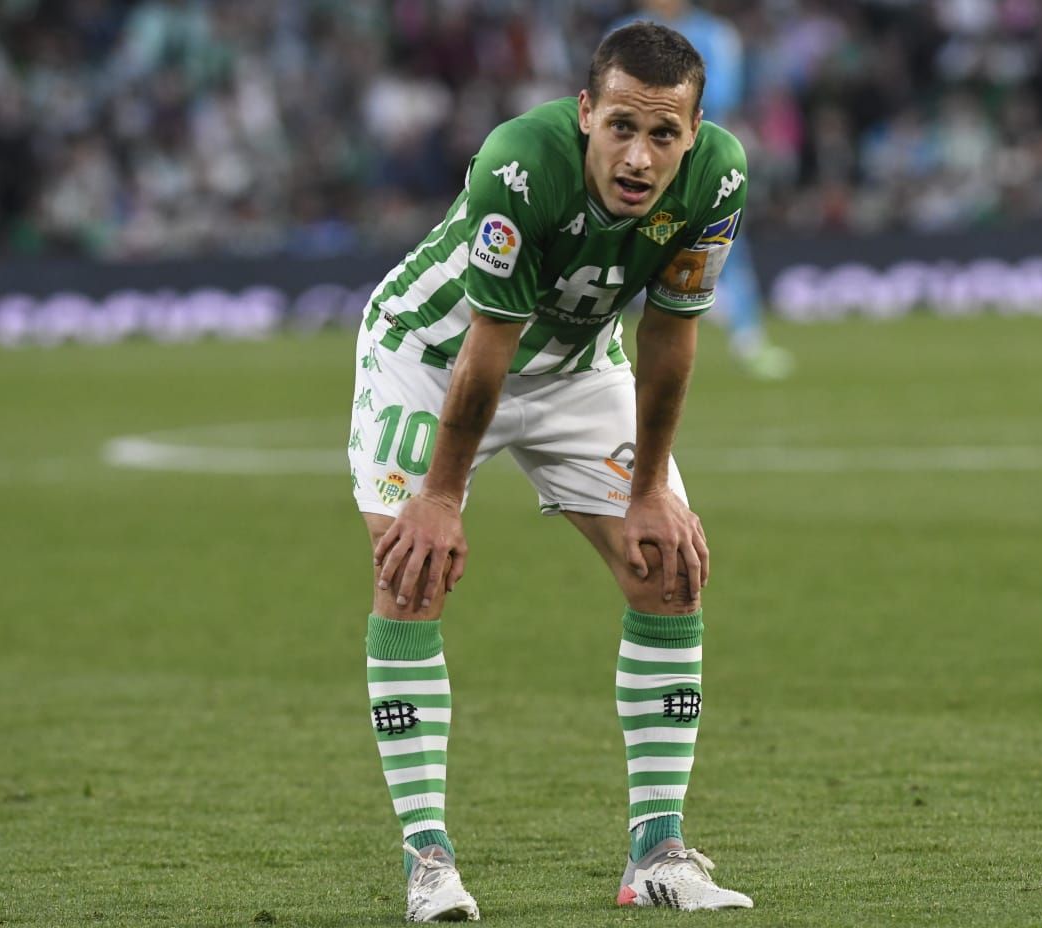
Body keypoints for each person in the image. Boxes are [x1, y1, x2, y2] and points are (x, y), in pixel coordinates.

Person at [348, 22, 754, 922]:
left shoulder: (719, 177)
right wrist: (443, 499)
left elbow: (670, 336)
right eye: (620, 126)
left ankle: (657, 852)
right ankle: (429, 860)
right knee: (411, 573)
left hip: (575, 363)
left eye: (662, 134)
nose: (639, 155)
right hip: (433, 351)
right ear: (584, 114)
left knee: (671, 569)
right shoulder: (519, 164)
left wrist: (650, 490)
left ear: (693, 133)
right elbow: (485, 355)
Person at [610, 0, 794, 380]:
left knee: (728, 249)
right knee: (608, 244)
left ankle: (749, 341)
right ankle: (587, 343)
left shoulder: (717, 34)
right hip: (634, 159)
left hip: (697, 162)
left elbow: (722, 97)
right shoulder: (622, 31)